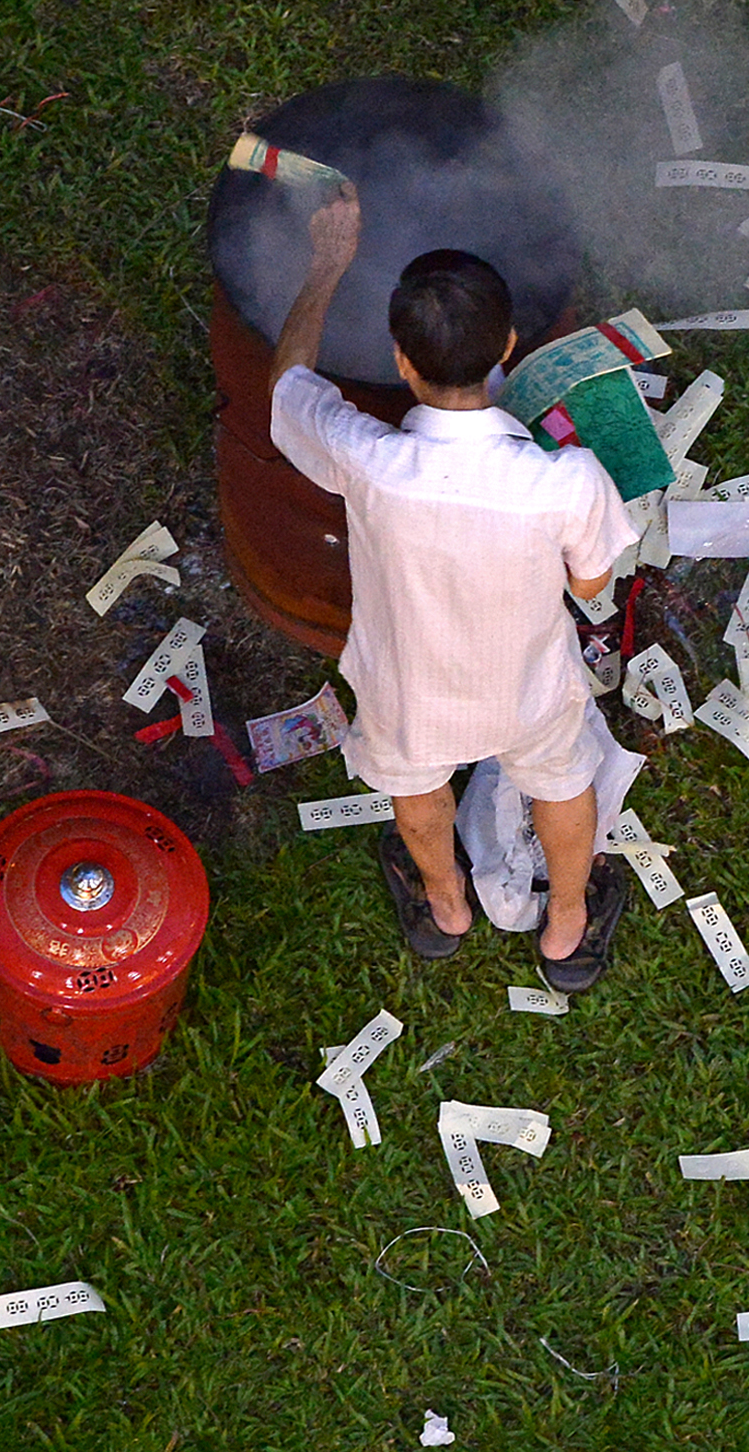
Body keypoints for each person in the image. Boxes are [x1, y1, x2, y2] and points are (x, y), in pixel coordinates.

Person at [266, 183, 638, 992]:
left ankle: (446, 906)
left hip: (409, 692)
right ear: (507, 345)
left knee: (416, 788)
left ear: (401, 362)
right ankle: (565, 925)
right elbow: (592, 581)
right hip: (528, 687)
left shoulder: (366, 457)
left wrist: (326, 262)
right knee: (560, 781)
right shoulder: (565, 480)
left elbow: (287, 386)